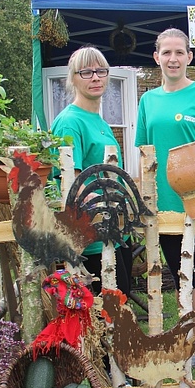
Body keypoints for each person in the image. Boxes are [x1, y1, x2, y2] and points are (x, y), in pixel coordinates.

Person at [135, 28, 195, 380]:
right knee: (181, 278)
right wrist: (144, 198)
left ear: (189, 57)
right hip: (165, 207)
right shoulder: (148, 101)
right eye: (166, 52)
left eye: (180, 52)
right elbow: (145, 153)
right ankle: (193, 346)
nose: (173, 58)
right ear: (156, 57)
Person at [51, 45, 132, 297]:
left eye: (100, 71)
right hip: (93, 240)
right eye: (86, 72)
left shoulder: (98, 120)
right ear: (73, 78)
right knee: (100, 312)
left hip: (115, 231)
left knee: (120, 306)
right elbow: (72, 182)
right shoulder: (69, 122)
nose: (95, 77)